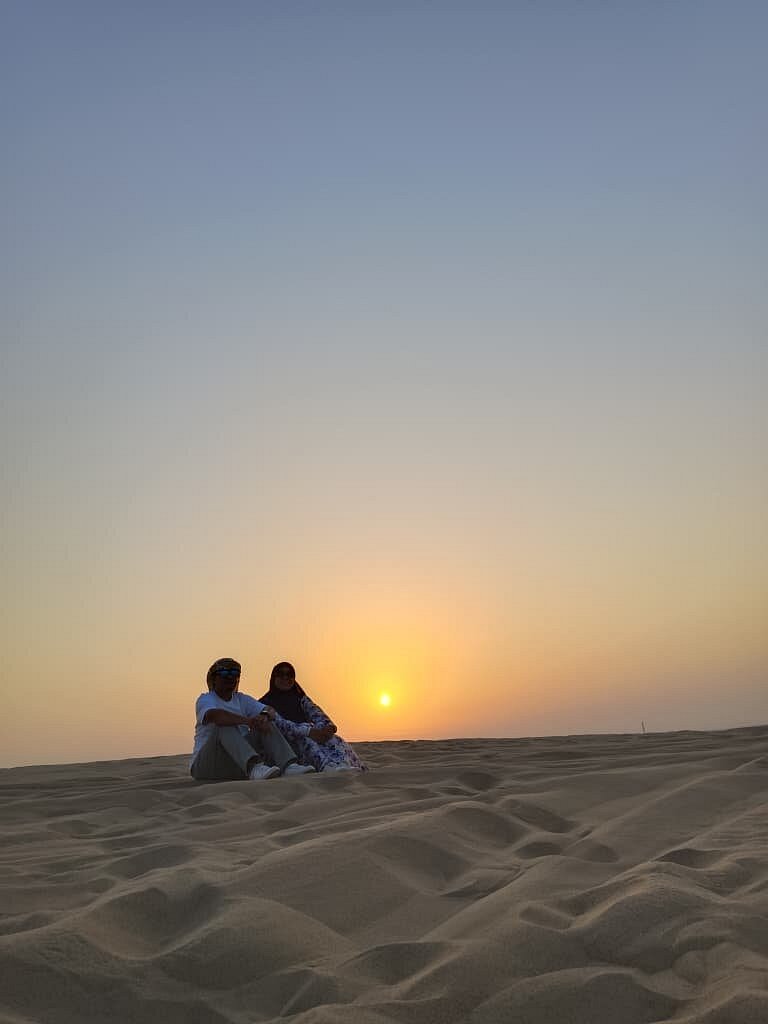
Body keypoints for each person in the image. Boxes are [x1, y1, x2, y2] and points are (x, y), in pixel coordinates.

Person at [190, 657, 315, 781]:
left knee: (266, 724)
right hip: (206, 765)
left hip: (235, 763)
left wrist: (263, 717)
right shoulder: (206, 699)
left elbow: (270, 710)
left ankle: (288, 766)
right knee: (224, 726)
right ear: (214, 679)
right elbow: (216, 716)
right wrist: (248, 721)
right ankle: (254, 768)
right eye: (224, 673)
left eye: (234, 673)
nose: (230, 677)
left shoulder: (241, 699)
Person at [260, 661, 366, 772]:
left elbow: (317, 714)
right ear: (273, 678)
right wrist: (308, 731)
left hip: (312, 734)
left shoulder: (300, 698)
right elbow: (279, 724)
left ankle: (346, 765)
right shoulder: (264, 704)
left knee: (334, 739)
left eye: (290, 675)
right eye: (281, 674)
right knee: (306, 741)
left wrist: (326, 728)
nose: (285, 678)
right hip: (287, 743)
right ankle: (327, 767)